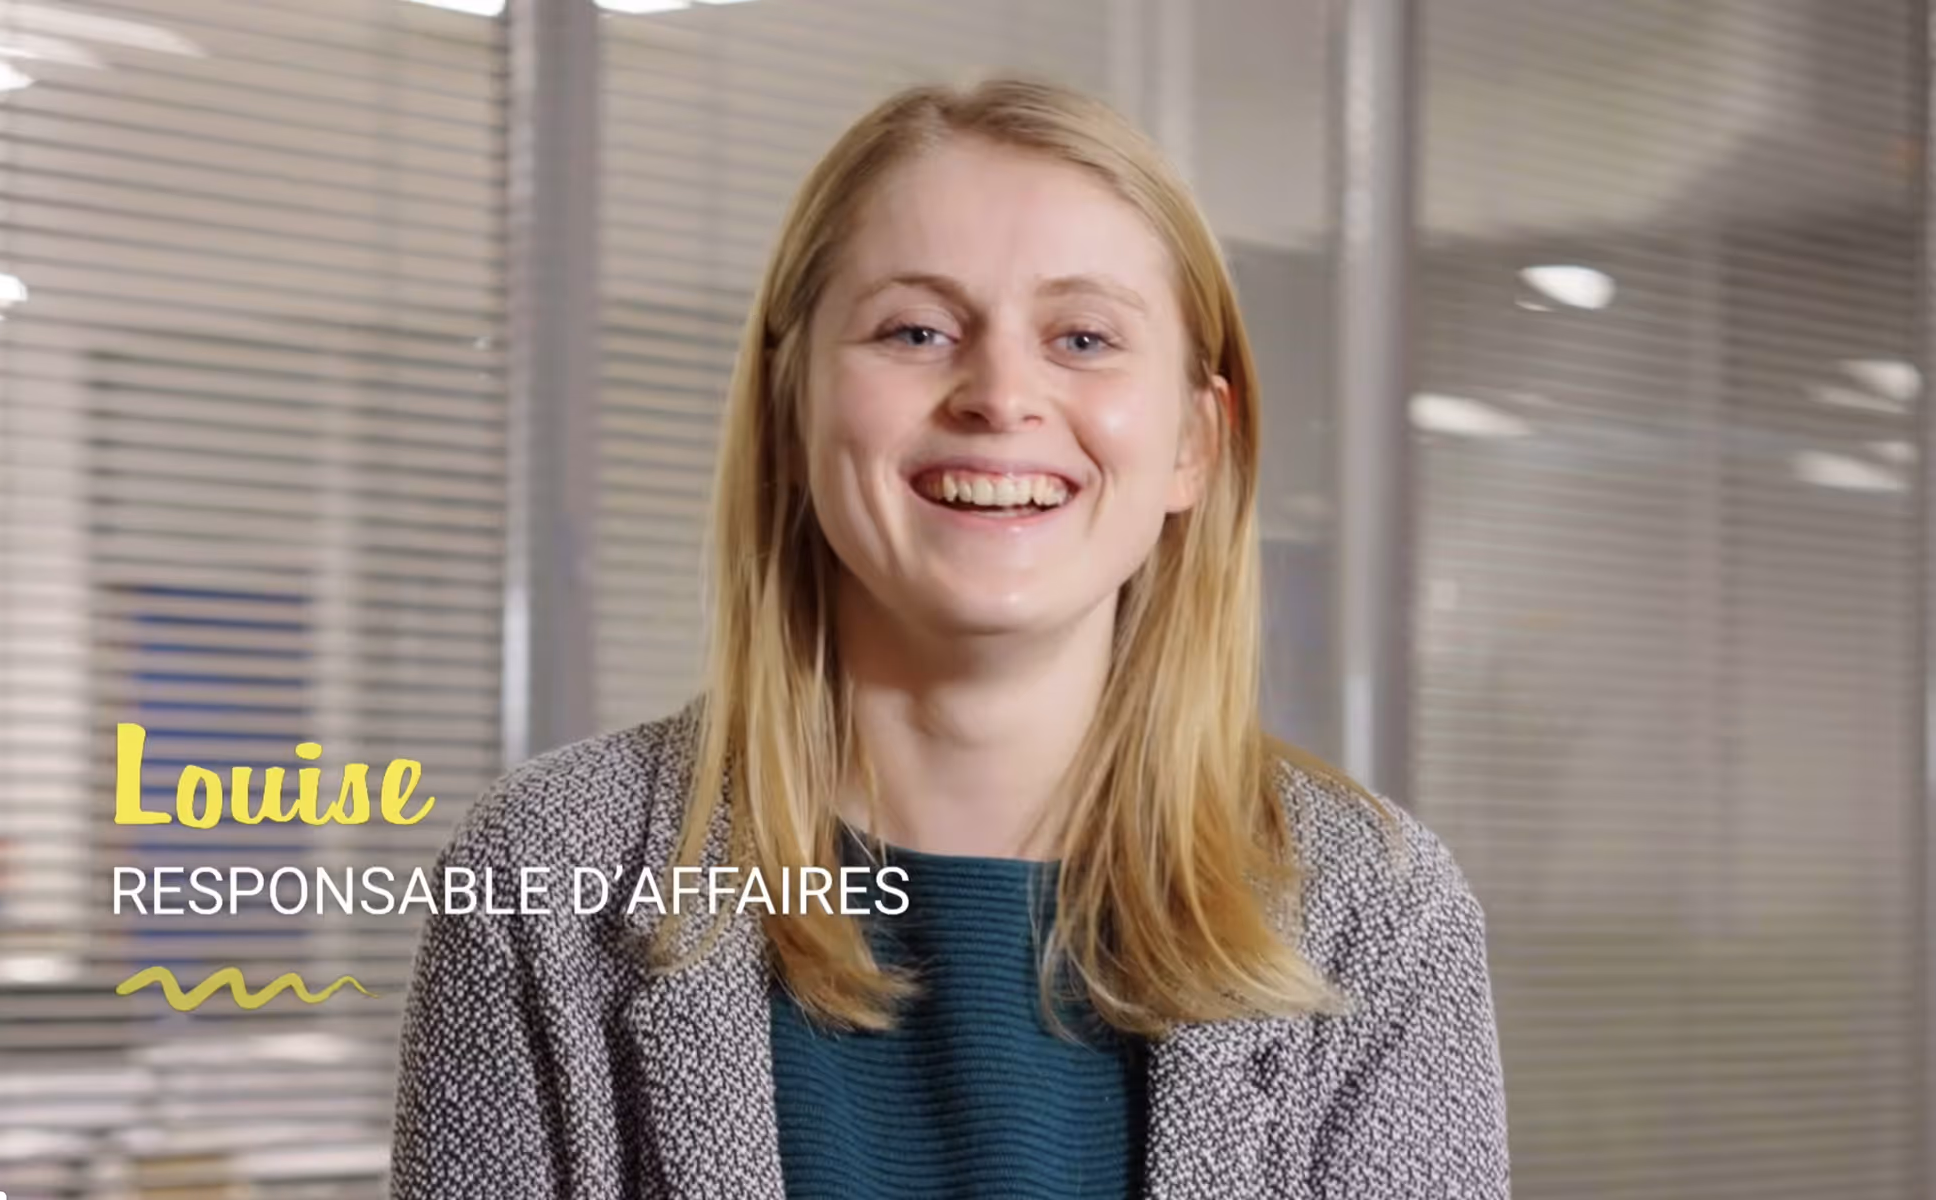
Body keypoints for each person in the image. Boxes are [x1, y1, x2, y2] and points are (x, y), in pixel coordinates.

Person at [390, 75, 1507, 1200]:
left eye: (1082, 336)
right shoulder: (547, 871)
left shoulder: (1377, 911)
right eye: (915, 330)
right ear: (788, 413)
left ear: (1192, 444)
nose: (999, 394)